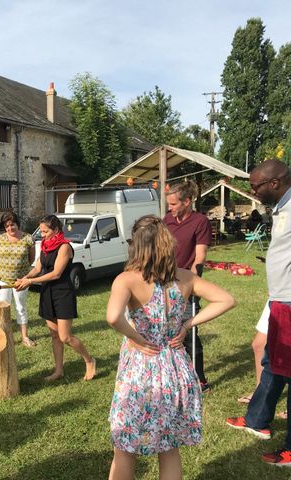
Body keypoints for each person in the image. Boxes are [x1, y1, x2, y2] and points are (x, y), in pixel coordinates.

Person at [107, 215, 235, 480]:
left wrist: (136, 338)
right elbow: (226, 299)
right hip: (175, 367)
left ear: (136, 245)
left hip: (141, 369)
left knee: (124, 445)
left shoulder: (127, 280)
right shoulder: (185, 277)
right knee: (169, 447)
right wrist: (187, 324)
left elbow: (112, 317)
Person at [227, 159, 291, 466]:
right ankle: (257, 420)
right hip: (280, 300)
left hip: (290, 302)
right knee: (274, 362)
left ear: (275, 183)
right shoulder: (280, 207)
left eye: (256, 186)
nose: (252, 192)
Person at [15, 215, 96, 381]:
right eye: (42, 231)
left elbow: (56, 273)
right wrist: (25, 277)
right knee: (54, 335)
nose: (42, 235)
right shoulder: (45, 245)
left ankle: (89, 360)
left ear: (57, 230)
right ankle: (59, 371)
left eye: (45, 231)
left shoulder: (64, 247)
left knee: (65, 336)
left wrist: (31, 281)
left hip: (63, 293)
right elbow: (38, 267)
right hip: (47, 293)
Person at [163, 180, 212, 392]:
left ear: (187, 201)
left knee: (189, 330)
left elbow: (199, 257)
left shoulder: (200, 222)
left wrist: (191, 283)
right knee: (167, 331)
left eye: (173, 204)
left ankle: (200, 379)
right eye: (169, 204)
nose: (170, 208)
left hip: (186, 284)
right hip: (164, 282)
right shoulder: (166, 220)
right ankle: (173, 375)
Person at [0, 212, 36, 347]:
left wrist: (22, 275)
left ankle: (24, 337)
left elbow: (31, 258)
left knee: (20, 307)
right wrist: (3, 270)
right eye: (7, 226)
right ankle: (4, 336)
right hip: (3, 280)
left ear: (18, 224)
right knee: (3, 308)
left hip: (21, 280)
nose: (10, 228)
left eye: (12, 225)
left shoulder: (28, 238)